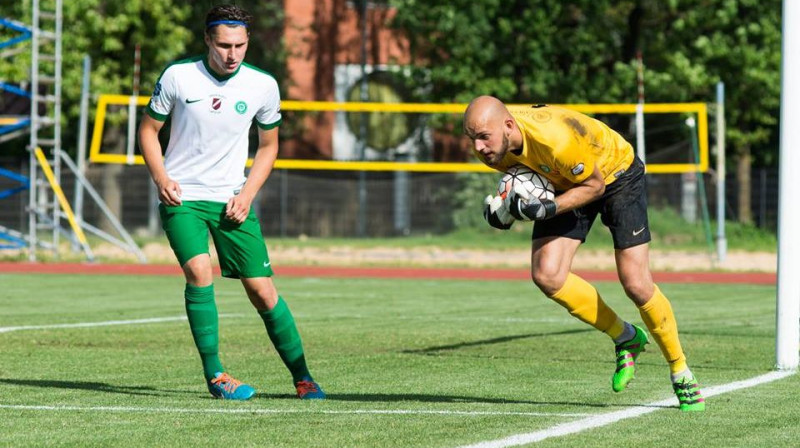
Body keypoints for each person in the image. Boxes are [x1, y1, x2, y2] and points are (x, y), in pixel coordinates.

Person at [463, 95, 704, 412]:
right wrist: (505, 212)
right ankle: (626, 337)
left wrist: (547, 207)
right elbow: (523, 182)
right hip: (563, 179)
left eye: (483, 137)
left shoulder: (554, 141)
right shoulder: (496, 145)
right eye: (472, 138)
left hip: (613, 172)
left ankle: (680, 371)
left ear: (508, 126)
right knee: (547, 276)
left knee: (635, 282)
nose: (478, 147)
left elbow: (594, 186)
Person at [138, 4, 324, 401]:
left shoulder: (263, 85)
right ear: (207, 39)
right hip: (183, 196)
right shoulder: (177, 76)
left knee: (263, 292)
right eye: (223, 45)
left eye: (239, 45)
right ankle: (216, 376)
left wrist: (247, 195)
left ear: (248, 42)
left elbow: (269, 147)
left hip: (231, 200)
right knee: (199, 271)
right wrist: (162, 178)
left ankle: (303, 378)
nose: (232, 54)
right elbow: (148, 131)